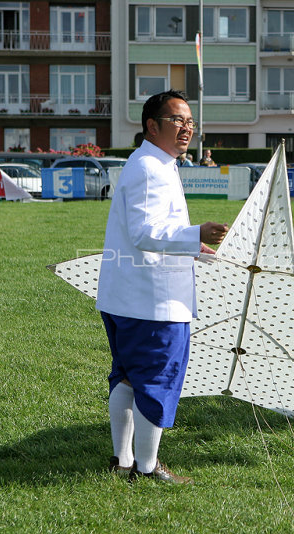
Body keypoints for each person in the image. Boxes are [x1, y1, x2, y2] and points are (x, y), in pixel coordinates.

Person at [96, 90, 228, 483]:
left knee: (126, 377)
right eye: (177, 120)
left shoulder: (154, 163)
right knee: (156, 380)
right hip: (152, 301)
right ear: (151, 126)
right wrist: (193, 234)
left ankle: (122, 462)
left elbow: (151, 230)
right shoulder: (151, 167)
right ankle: (147, 469)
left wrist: (193, 246)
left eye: (189, 122)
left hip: (127, 295)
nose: (186, 128)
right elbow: (145, 232)